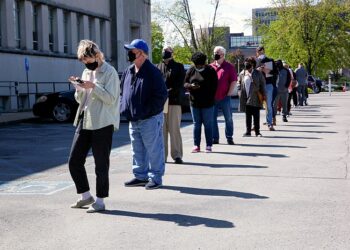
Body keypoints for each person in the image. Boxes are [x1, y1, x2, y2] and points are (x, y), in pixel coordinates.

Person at [68, 40, 120, 213]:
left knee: (101, 164)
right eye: (83, 61)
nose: (86, 64)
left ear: (97, 56)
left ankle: (100, 201)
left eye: (88, 61)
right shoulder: (85, 71)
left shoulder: (109, 72)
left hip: (103, 122)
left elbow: (111, 99)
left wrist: (93, 87)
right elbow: (80, 99)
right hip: (85, 119)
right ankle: (85, 196)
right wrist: (79, 88)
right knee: (74, 160)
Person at [120, 39, 168, 190]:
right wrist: (124, 108)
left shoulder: (153, 72)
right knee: (137, 149)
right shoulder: (128, 71)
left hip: (150, 119)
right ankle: (140, 176)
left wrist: (148, 111)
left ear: (141, 53)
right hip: (133, 119)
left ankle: (156, 178)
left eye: (132, 51)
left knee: (154, 150)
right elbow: (123, 92)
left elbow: (161, 96)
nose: (129, 54)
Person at [184, 52, 218, 153]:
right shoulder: (191, 70)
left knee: (208, 124)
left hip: (208, 103)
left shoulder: (211, 70)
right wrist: (191, 86)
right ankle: (196, 145)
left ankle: (208, 145)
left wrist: (207, 95)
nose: (198, 67)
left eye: (200, 65)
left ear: (204, 63)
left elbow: (214, 86)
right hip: (194, 102)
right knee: (196, 124)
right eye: (197, 65)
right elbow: (185, 83)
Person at [157, 46, 185, 164]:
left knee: (174, 129)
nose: (165, 52)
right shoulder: (158, 67)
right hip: (161, 103)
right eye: (164, 50)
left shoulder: (179, 67)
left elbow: (179, 84)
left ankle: (177, 155)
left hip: (174, 101)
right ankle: (162, 156)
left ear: (172, 53)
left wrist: (167, 92)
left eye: (167, 51)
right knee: (161, 131)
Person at [210, 46, 237, 145]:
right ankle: (215, 138)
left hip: (225, 97)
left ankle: (229, 137)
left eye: (218, 52)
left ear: (223, 54)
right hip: (213, 98)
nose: (215, 54)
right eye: (215, 52)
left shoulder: (229, 67)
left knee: (228, 118)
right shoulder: (210, 66)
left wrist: (229, 93)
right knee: (212, 118)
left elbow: (233, 81)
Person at [237, 57, 266, 137]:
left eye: (249, 62)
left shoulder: (258, 73)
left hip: (255, 96)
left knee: (256, 115)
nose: (247, 63)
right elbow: (238, 83)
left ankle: (257, 132)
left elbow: (263, 84)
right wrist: (239, 91)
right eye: (246, 62)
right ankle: (248, 131)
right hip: (245, 96)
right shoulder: (242, 73)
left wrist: (264, 96)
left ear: (253, 64)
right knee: (248, 115)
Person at [256, 46, 277, 131]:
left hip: (268, 84)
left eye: (262, 51)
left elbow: (275, 72)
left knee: (268, 105)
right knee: (256, 105)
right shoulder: (255, 61)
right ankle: (255, 125)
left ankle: (270, 123)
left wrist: (267, 70)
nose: (260, 52)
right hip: (258, 86)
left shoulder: (270, 60)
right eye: (259, 51)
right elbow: (250, 71)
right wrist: (258, 69)